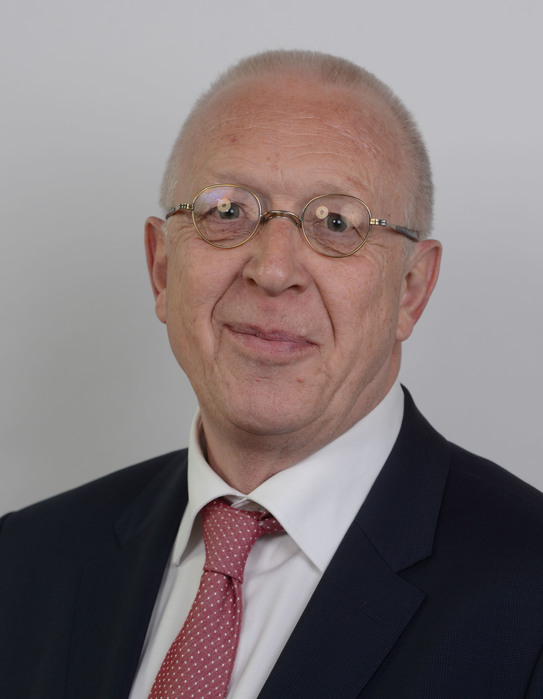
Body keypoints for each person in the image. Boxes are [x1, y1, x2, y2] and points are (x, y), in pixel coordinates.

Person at [1, 49, 543, 699]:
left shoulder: (528, 593)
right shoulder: (24, 559)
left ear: (410, 289)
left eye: (336, 223)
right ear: (162, 267)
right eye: (228, 212)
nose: (273, 270)